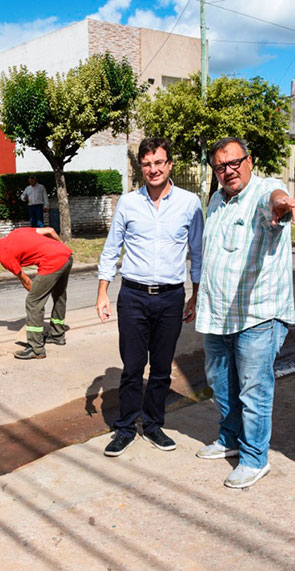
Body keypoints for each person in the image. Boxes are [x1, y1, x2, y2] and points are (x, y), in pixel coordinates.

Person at [194, 137, 295, 489]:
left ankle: (255, 458)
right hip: (218, 314)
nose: (229, 170)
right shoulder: (216, 201)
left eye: (235, 162)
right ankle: (230, 439)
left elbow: (275, 201)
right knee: (221, 383)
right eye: (220, 166)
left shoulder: (264, 190)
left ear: (249, 161)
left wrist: (281, 204)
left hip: (258, 315)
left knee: (254, 390)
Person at [96, 137, 203, 457]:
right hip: (133, 296)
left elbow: (197, 252)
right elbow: (112, 248)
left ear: (170, 165)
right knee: (132, 367)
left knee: (161, 368)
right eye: (147, 164)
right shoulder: (128, 203)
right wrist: (102, 292)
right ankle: (126, 427)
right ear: (140, 167)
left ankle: (154, 424)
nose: (153, 169)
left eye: (158, 162)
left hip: (170, 298)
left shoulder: (189, 203)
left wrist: (195, 295)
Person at [0, 227, 73, 359]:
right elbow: (50, 231)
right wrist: (60, 247)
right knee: (59, 295)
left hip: (52, 263)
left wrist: (37, 296)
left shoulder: (4, 256)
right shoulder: (17, 232)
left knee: (33, 302)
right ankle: (58, 335)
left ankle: (36, 348)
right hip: (66, 255)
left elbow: (25, 279)